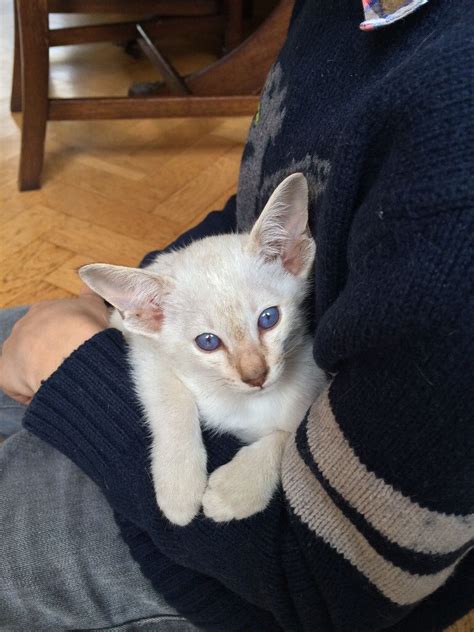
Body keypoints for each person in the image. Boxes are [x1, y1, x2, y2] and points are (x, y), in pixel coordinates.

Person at [0, 0, 473, 630]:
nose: (253, 368)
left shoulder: (455, 154)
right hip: (192, 360)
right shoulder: (340, 11)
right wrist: (136, 295)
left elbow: (336, 581)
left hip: (281, 570)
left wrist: (70, 365)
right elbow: (266, 190)